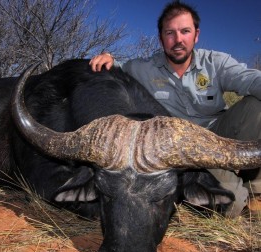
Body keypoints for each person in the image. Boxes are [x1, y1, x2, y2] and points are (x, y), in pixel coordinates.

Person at [89, 1, 261, 217]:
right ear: (161, 38)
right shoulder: (143, 68)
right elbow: (117, 66)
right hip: (183, 151)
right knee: (231, 206)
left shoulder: (216, 62)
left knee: (257, 106)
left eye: (185, 31)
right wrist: (108, 57)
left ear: (196, 35)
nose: (178, 40)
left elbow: (251, 79)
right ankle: (227, 190)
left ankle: (257, 192)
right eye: (170, 33)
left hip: (219, 133)